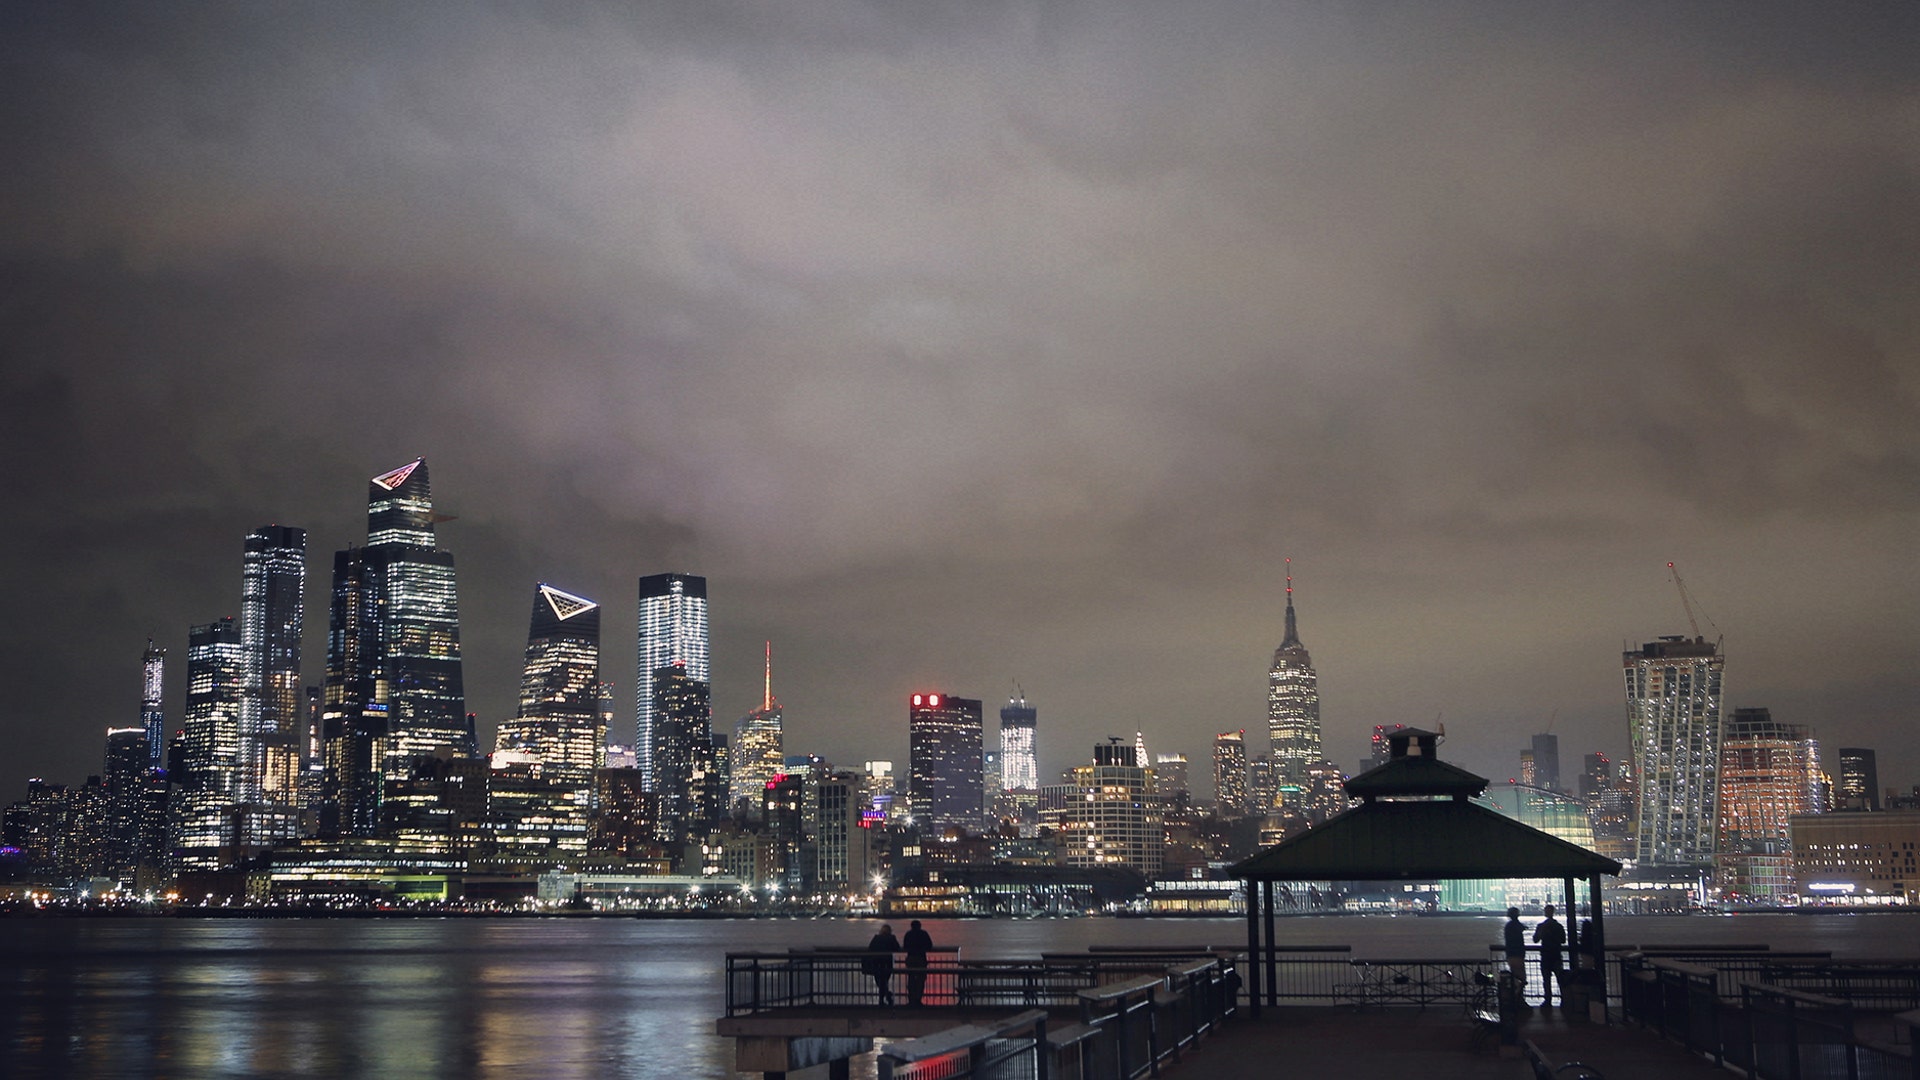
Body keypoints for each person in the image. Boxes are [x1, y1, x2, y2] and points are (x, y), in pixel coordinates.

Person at [1533, 904, 1567, 1008]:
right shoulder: (1558, 926)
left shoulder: (1541, 926)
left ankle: (1548, 1000)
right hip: (1556, 955)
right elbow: (1563, 940)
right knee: (1560, 979)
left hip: (1545, 955)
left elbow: (1535, 940)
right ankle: (1564, 999)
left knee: (1546, 980)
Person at [864, 923, 900, 1006]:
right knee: (884, 981)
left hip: (876, 962)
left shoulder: (876, 938)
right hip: (887, 962)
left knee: (879, 981)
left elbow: (870, 948)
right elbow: (896, 948)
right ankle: (886, 996)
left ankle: (884, 998)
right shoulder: (891, 938)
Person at [902, 919, 934, 1006]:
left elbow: (905, 946)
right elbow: (929, 946)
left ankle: (911, 999)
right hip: (921, 958)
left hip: (911, 958)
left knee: (911, 979)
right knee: (921, 979)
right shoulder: (924, 934)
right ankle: (918, 999)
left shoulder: (908, 934)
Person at [1502, 907, 1527, 1003]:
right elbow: (1520, 927)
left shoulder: (1508, 926)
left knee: (1515, 979)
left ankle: (1515, 999)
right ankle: (1519, 1000)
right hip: (1517, 955)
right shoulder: (1516, 925)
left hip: (1511, 954)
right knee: (1521, 979)